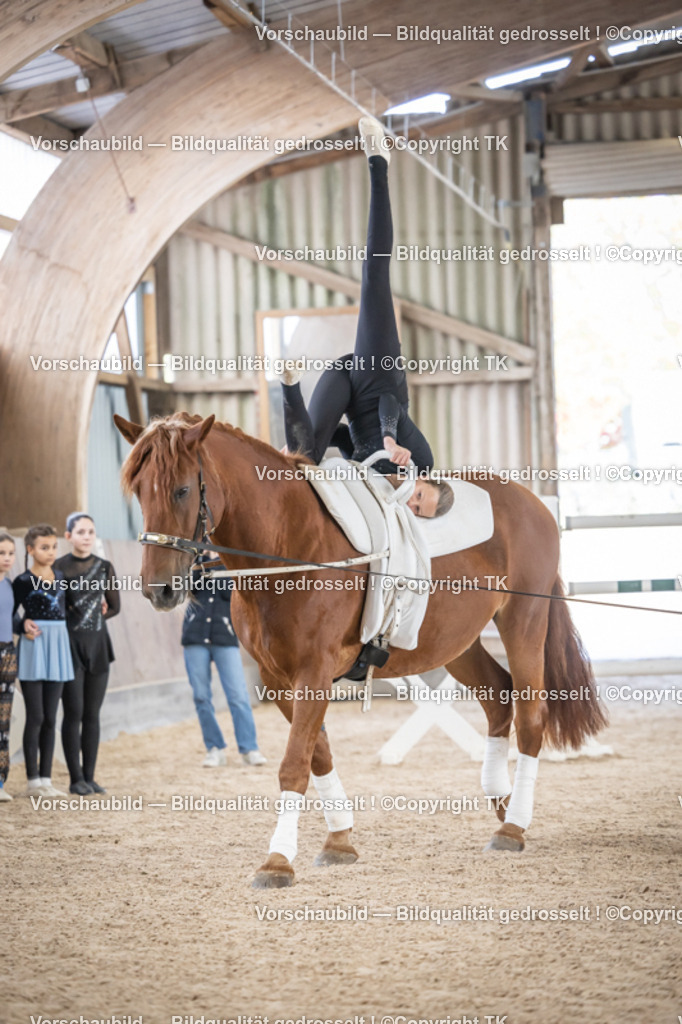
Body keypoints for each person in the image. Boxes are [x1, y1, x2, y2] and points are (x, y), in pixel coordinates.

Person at [279, 116, 454, 521]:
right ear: (426, 480)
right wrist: (392, 439)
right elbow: (390, 402)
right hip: (377, 375)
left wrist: (324, 438)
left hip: (344, 383)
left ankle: (288, 385)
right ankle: (379, 161)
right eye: (420, 497)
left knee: (305, 460)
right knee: (375, 274)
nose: (410, 501)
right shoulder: (418, 458)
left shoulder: (380, 492)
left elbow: (343, 437)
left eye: (416, 510)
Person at [55, 512, 120, 795]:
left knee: (92, 713)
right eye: (80, 532)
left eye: (90, 532)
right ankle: (75, 778)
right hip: (69, 647)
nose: (86, 537)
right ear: (68, 536)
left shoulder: (105, 567)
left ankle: (90, 777)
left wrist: (94, 616)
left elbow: (115, 606)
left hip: (98, 647)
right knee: (74, 712)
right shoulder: (58, 567)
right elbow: (53, 608)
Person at [182, 554, 266, 768]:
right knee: (201, 696)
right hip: (195, 636)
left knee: (238, 695)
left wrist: (218, 571)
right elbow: (184, 590)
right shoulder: (192, 562)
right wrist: (199, 567)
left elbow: (237, 595)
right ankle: (214, 748)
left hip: (225, 637)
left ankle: (249, 748)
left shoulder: (232, 562)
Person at [12, 524, 73, 797]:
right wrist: (22, 624)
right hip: (34, 647)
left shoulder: (61, 577)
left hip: (58, 646)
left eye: (53, 547)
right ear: (30, 550)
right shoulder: (22, 582)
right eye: (44, 548)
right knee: (35, 716)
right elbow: (10, 615)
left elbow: (68, 609)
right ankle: (32, 780)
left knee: (50, 717)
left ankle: (46, 780)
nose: (50, 552)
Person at [0, 533, 18, 802]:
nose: (6, 558)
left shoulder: (9, 585)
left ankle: (0, 781)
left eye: (10, 554)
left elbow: (11, 618)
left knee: (3, 721)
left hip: (7, 654)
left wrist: (23, 626)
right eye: (1, 553)